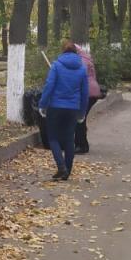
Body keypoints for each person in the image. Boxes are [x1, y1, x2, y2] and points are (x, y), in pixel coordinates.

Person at [39, 41, 88, 181]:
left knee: (53, 137)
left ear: (63, 51)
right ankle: (67, 170)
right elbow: (85, 93)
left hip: (55, 107)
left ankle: (61, 167)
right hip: (72, 108)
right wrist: (82, 112)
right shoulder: (82, 68)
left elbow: (49, 86)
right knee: (69, 139)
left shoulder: (57, 65)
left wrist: (43, 105)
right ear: (76, 53)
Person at [74, 46, 102, 154]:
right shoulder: (85, 58)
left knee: (79, 118)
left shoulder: (81, 61)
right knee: (81, 118)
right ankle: (82, 144)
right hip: (92, 91)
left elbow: (79, 78)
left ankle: (81, 146)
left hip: (87, 93)